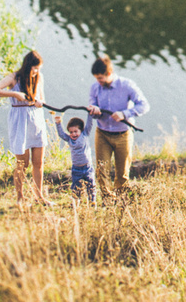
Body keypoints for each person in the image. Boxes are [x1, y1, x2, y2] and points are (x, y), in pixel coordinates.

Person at [0, 49, 52, 207]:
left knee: (39, 162)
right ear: (27, 66)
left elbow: (42, 98)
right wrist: (15, 95)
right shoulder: (14, 78)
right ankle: (20, 198)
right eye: (34, 68)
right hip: (19, 121)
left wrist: (39, 102)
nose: (36, 71)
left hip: (36, 119)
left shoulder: (39, 77)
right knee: (23, 163)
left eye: (38, 69)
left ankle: (39, 197)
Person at [86, 55, 149, 199]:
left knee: (122, 172)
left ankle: (121, 199)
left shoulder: (126, 85)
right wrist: (94, 111)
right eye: (96, 78)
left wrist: (125, 114)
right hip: (102, 134)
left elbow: (144, 105)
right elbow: (92, 104)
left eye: (101, 78)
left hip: (123, 134)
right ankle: (108, 199)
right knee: (102, 170)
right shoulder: (95, 87)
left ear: (109, 74)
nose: (98, 82)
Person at [54, 114, 96, 203]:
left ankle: (92, 202)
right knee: (76, 187)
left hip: (87, 167)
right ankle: (76, 203)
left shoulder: (85, 135)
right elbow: (61, 134)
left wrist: (90, 114)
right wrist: (58, 123)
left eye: (76, 131)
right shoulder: (69, 139)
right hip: (76, 168)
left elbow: (89, 124)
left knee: (91, 186)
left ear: (81, 130)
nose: (73, 134)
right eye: (71, 132)